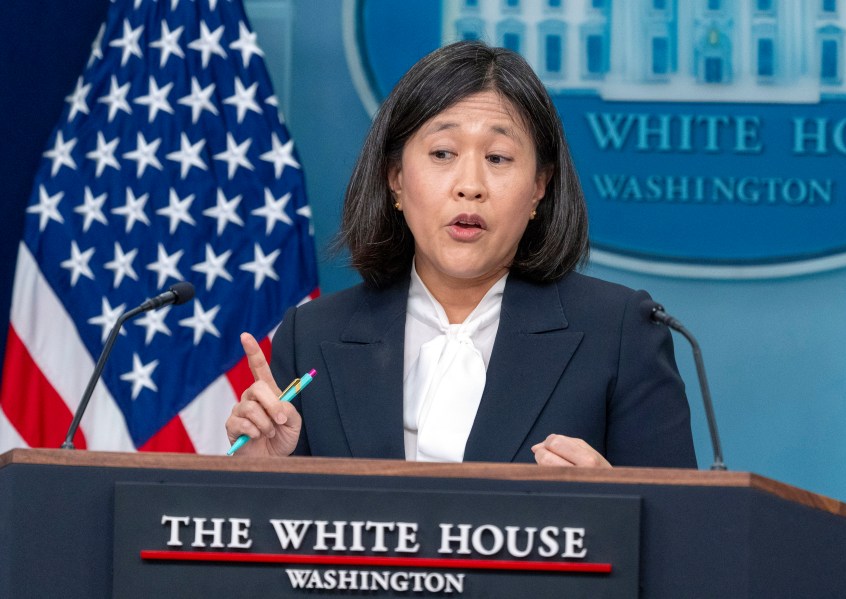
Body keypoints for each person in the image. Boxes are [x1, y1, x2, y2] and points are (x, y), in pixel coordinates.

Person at [225, 41, 697, 468]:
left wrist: (616, 504)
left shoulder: (618, 332)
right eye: (443, 153)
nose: (469, 186)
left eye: (498, 158)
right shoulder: (311, 337)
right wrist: (262, 473)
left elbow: (684, 539)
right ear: (395, 180)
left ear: (539, 188)